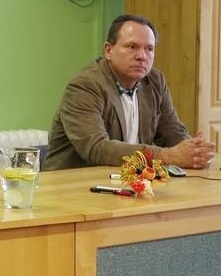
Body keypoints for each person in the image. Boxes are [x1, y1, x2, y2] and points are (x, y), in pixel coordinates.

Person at [44, 14, 216, 170]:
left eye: (149, 49)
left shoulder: (155, 81)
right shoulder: (85, 85)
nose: (142, 56)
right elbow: (97, 148)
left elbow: (172, 132)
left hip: (127, 181)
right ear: (108, 50)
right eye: (132, 47)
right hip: (72, 187)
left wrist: (193, 150)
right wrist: (169, 156)